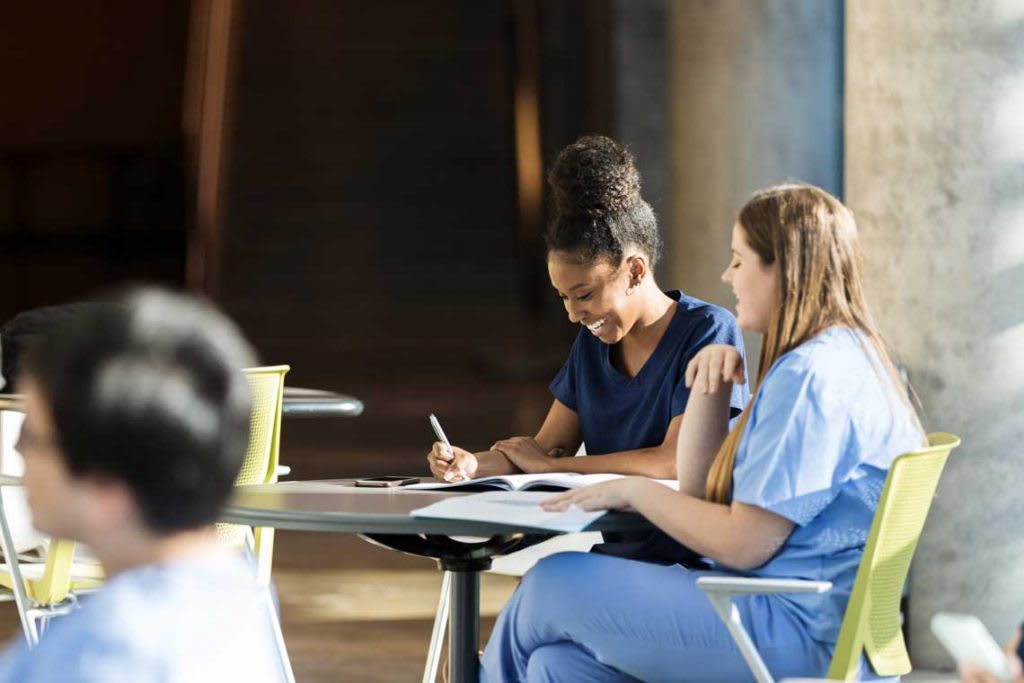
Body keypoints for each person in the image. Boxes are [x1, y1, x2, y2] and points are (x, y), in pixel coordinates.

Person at [479, 183, 925, 682]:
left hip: (785, 626)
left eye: (739, 261)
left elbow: (743, 544)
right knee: (557, 668)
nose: (726, 276)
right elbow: (699, 493)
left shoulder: (809, 377)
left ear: (782, 267)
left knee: (549, 584)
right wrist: (709, 393)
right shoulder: (852, 356)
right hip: (799, 621)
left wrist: (635, 491)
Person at [426, 135, 749, 564]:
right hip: (618, 559)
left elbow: (673, 463)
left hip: (694, 567)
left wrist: (551, 469)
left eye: (584, 294)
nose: (574, 314)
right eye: (563, 298)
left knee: (547, 583)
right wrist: (470, 466)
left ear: (635, 270)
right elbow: (543, 450)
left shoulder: (708, 331)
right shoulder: (593, 345)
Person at [0, 288, 285, 683]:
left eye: (30, 433)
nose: (14, 447)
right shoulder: (234, 590)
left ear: (109, 485)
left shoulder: (101, 656)